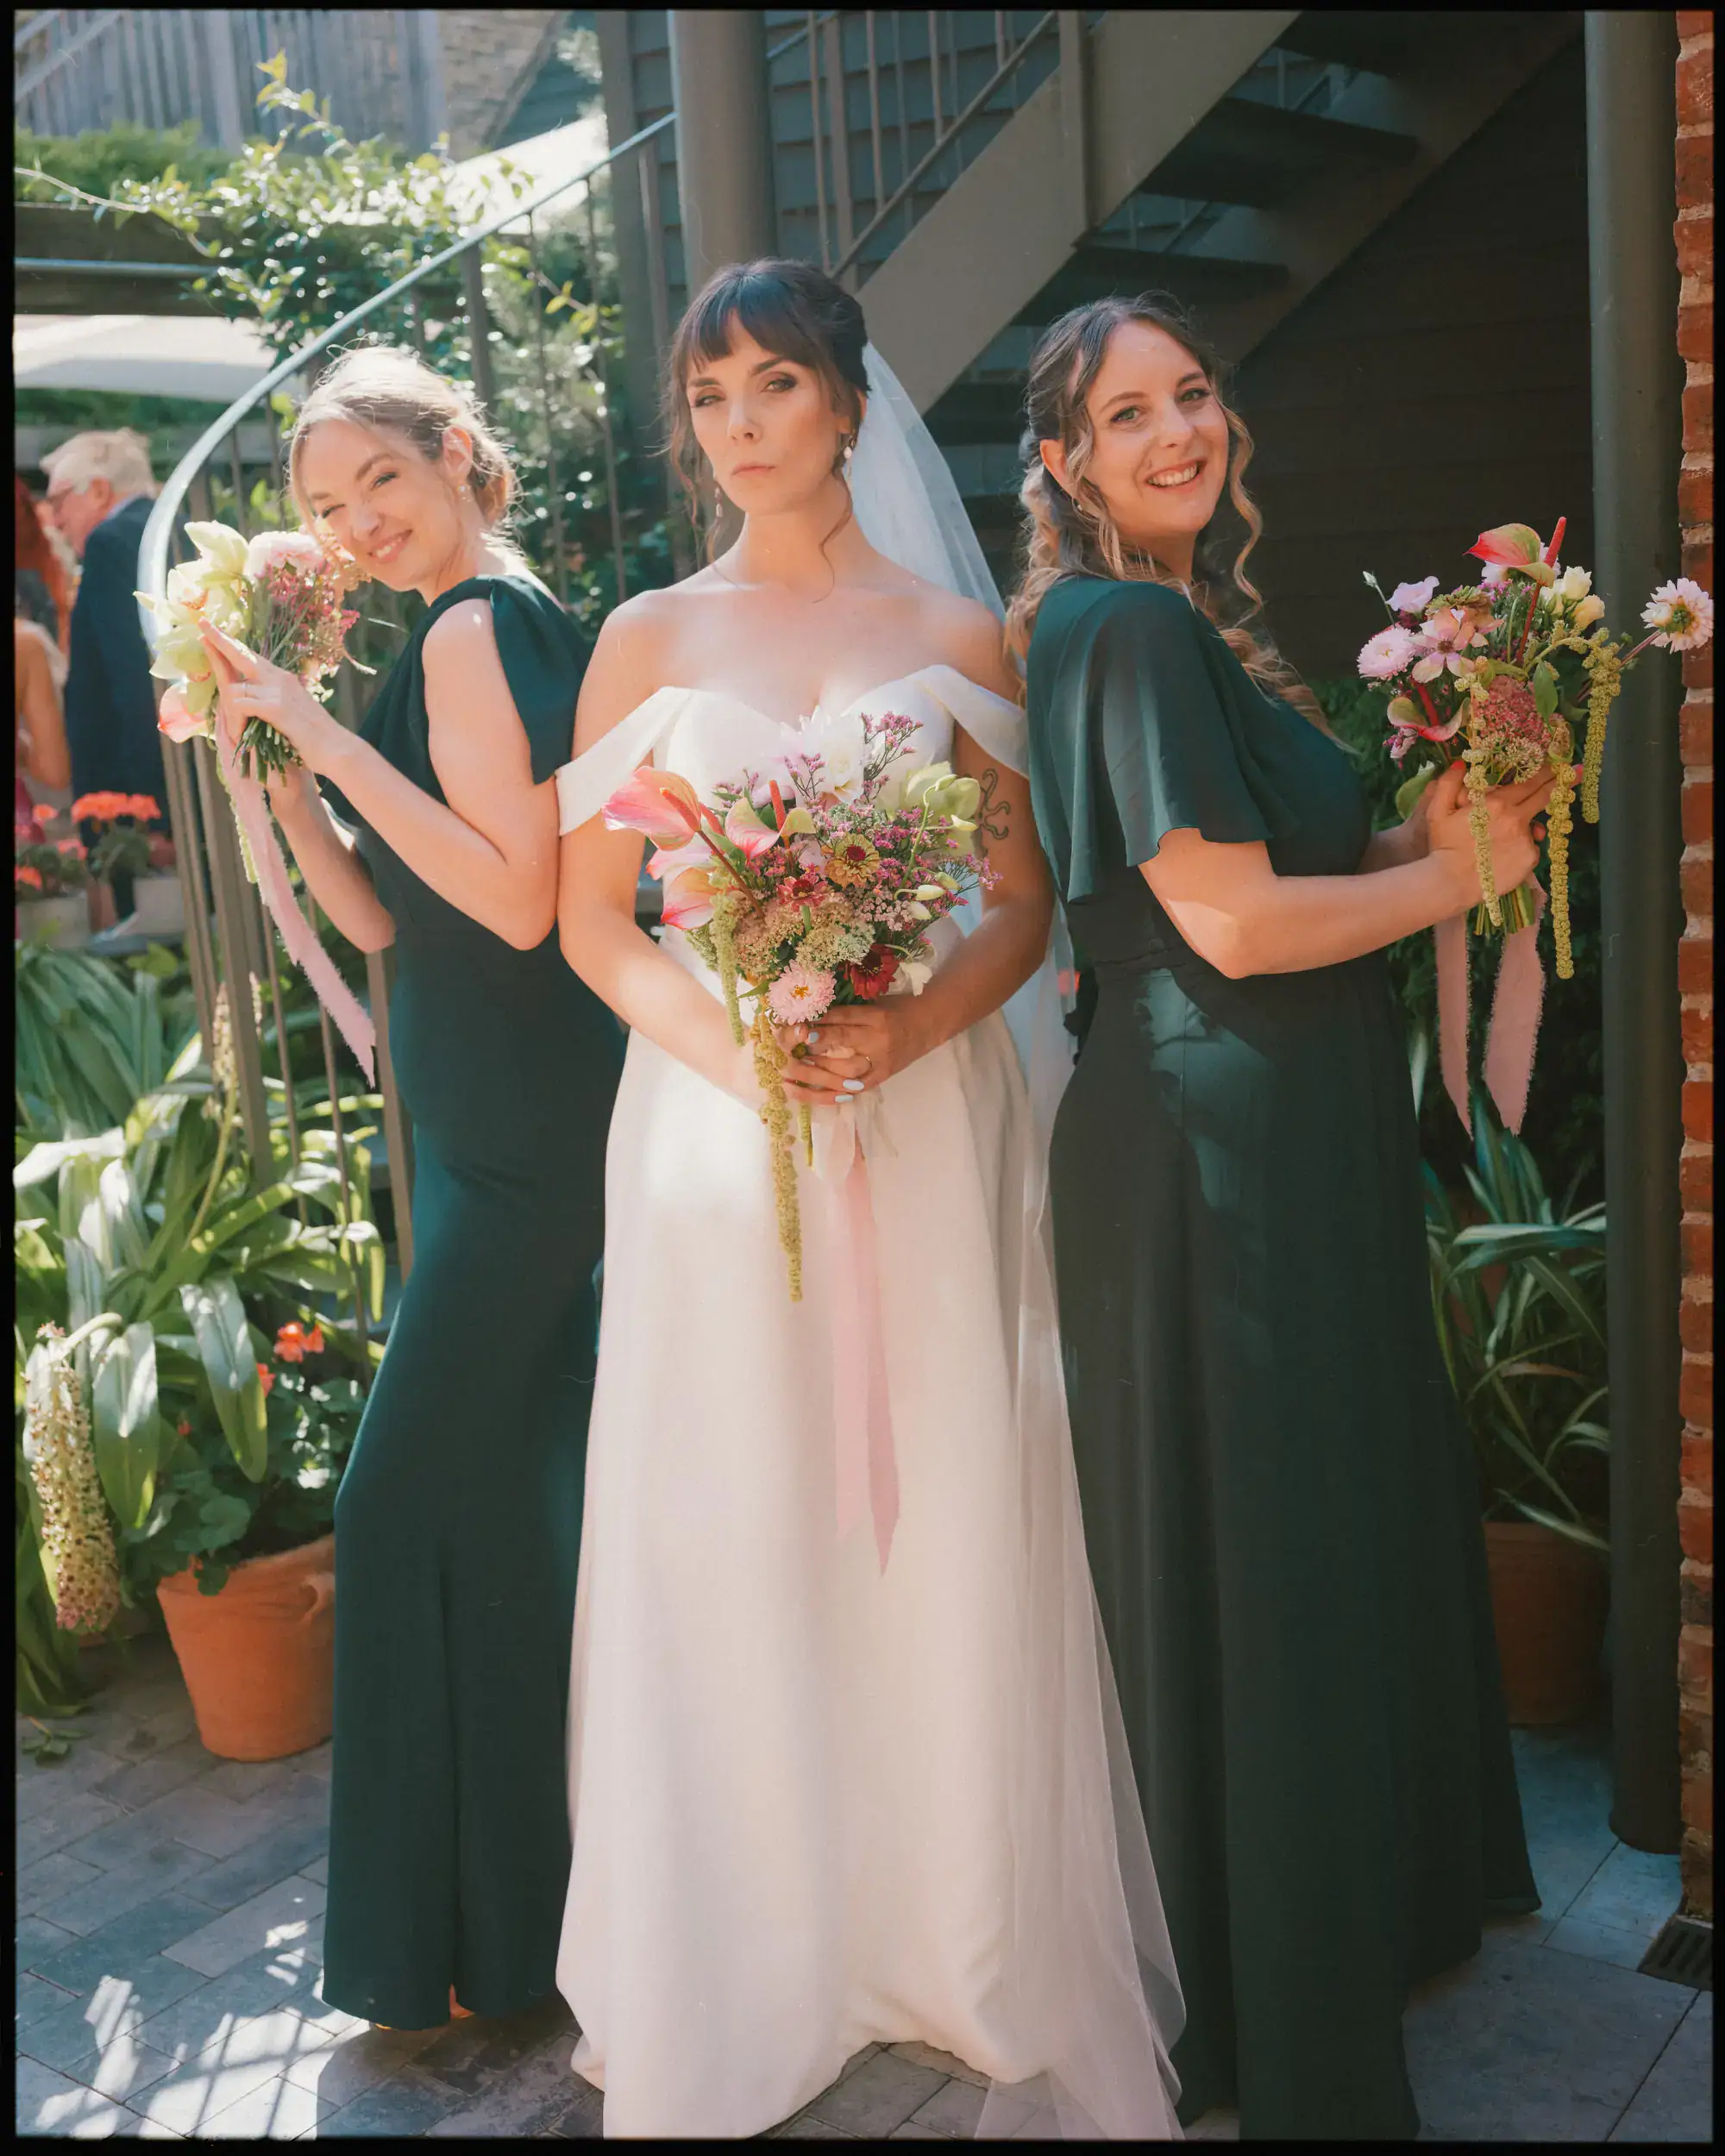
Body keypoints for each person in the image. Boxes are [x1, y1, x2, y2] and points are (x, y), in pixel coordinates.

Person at [550, 260, 1182, 2140]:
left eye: (775, 383)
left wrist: (900, 1030)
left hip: (918, 1120)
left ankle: (946, 1928)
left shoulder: (957, 631)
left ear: (846, 402)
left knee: (942, 1500)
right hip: (710, 1138)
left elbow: (1023, 904)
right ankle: (751, 1941)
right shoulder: (644, 636)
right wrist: (742, 1054)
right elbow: (595, 924)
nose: (741, 424)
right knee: (733, 1504)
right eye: (710, 394)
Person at [1015, 294, 1542, 2140]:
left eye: (1193, 394)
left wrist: (1446, 832)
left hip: (1273, 1123)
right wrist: (1452, 884)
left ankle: (1332, 1936)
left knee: (1306, 1541)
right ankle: (1276, 2005)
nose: (1179, 431)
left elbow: (1301, 881)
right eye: (1127, 413)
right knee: (1268, 1564)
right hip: (1209, 1142)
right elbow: (1230, 926)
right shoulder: (1131, 627)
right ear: (1064, 462)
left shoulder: (1182, 629)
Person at [195, 344, 624, 2032]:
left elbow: (517, 900)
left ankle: (414, 1942)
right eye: (324, 505)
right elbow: (388, 918)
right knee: (505, 1518)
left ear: (456, 452)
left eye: (379, 477)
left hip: (523, 1129)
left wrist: (320, 728)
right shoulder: (468, 626)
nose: (356, 521)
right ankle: (510, 1936)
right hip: (475, 1120)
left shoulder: (473, 627)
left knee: (391, 1506)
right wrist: (283, 782)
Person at [41, 431, 168, 830]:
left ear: (98, 491)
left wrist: (150, 809)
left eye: (59, 502)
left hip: (135, 801)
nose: (55, 521)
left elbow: (133, 677)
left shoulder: (108, 544)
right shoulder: (173, 526)